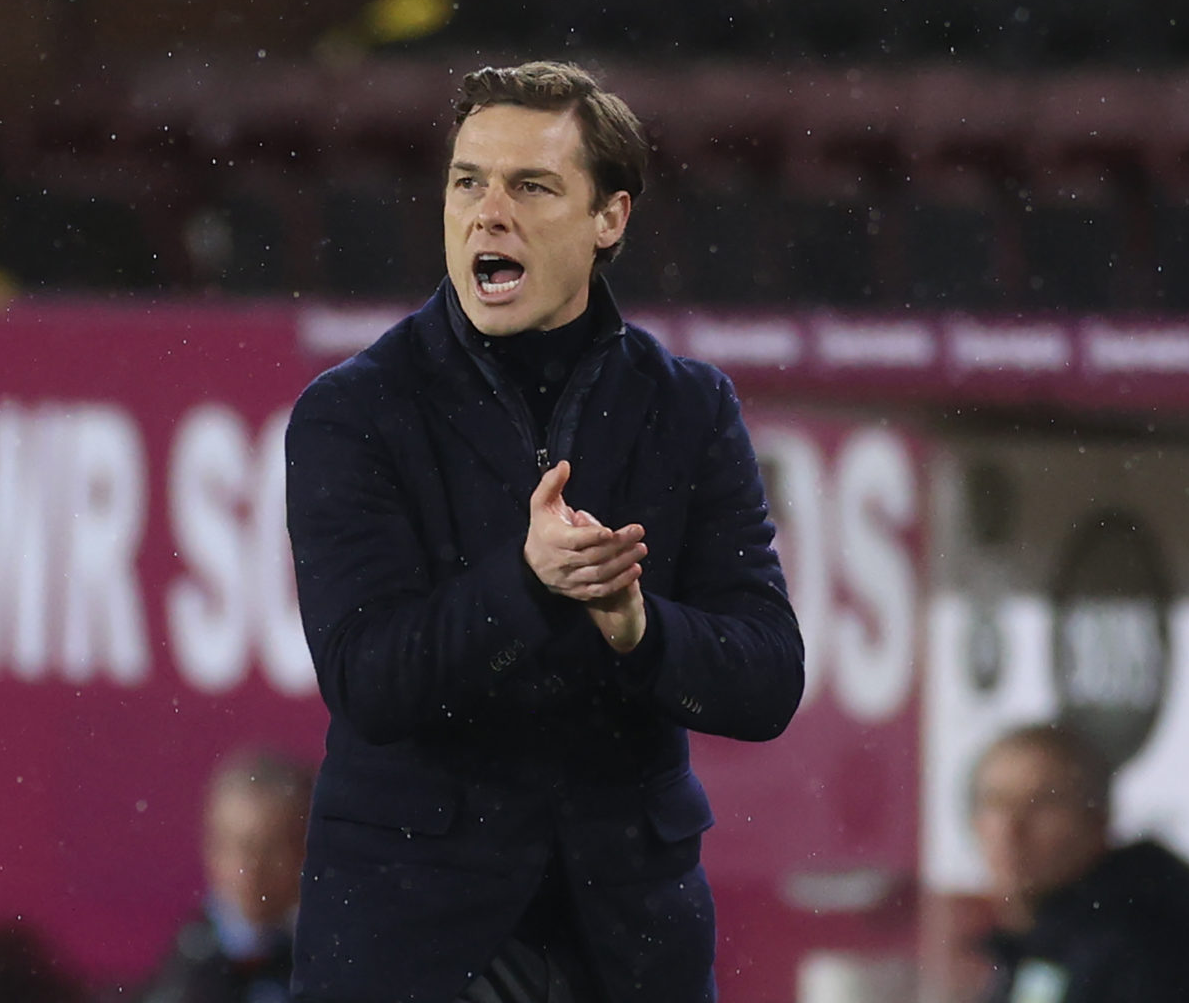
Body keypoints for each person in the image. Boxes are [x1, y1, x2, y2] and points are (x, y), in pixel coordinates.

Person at [283, 60, 805, 1003]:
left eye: (531, 186)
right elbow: (368, 678)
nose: (489, 212)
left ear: (610, 218)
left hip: (629, 942)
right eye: (467, 181)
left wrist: (641, 632)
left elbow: (767, 677)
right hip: (417, 942)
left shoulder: (690, 409)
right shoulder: (353, 412)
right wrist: (526, 585)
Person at [969, 723, 1189, 1003]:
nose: (1011, 830)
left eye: (1040, 804)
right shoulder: (1031, 948)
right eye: (996, 803)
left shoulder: (1144, 960)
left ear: (1096, 820)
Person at [139, 749, 313, 1003]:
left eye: (271, 849)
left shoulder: (325, 956)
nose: (252, 868)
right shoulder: (190, 960)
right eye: (233, 845)